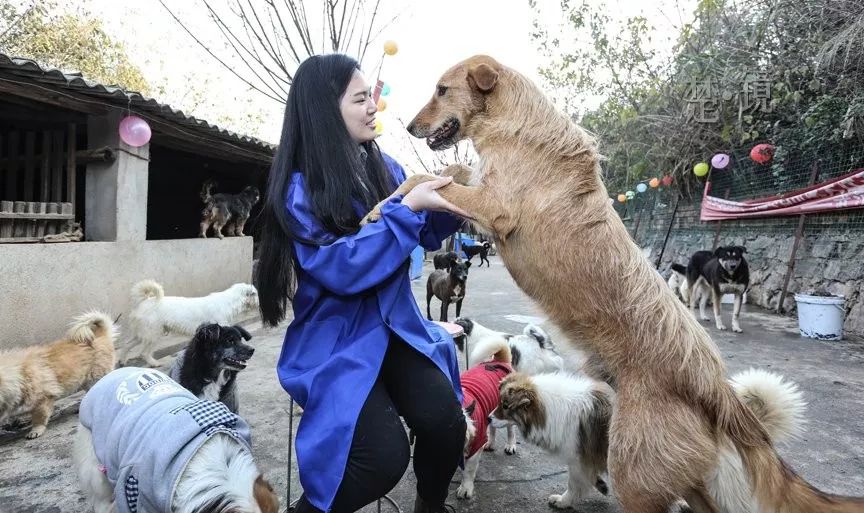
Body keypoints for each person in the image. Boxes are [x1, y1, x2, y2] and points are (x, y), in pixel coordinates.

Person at [256, 53, 469, 513]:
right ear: (323, 112)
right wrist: (407, 210)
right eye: (359, 99)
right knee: (380, 457)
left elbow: (421, 232)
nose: (373, 106)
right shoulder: (300, 190)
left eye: (371, 95)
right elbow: (342, 267)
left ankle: (430, 506)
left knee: (445, 421)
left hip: (395, 328)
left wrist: (453, 202)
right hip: (338, 340)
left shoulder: (384, 167)